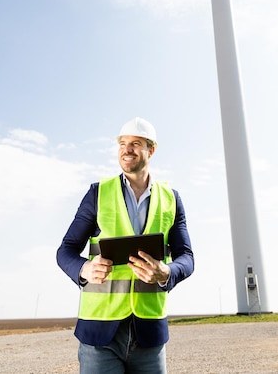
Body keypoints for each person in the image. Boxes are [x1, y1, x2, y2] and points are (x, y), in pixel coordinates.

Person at [57, 117, 194, 374]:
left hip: (149, 335)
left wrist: (167, 273)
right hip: (100, 334)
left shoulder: (171, 199)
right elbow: (66, 250)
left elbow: (186, 257)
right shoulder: (98, 193)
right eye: (122, 143)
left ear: (151, 150)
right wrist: (83, 269)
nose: (126, 149)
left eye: (135, 143)